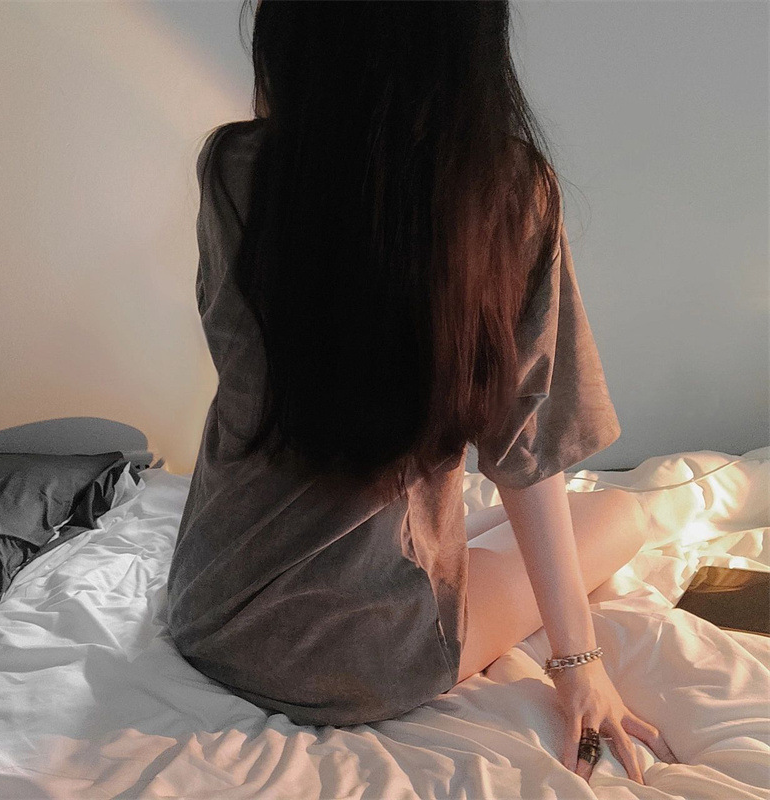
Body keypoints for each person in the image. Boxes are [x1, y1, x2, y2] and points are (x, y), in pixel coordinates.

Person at [166, 0, 679, 786]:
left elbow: (240, 364)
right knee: (624, 513)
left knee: (477, 532)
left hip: (213, 601)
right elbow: (527, 444)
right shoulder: (506, 192)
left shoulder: (235, 169)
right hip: (366, 652)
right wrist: (579, 663)